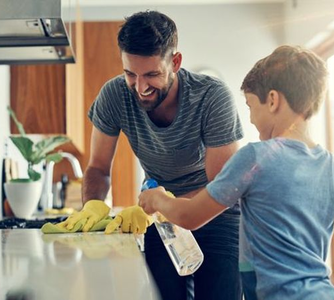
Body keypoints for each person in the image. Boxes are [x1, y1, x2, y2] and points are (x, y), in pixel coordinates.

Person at [58, 10, 243, 300]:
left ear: (176, 62)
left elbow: (221, 187)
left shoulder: (211, 97)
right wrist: (92, 208)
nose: (141, 87)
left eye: (152, 75)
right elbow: (98, 168)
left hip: (214, 215)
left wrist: (165, 203)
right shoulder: (114, 95)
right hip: (161, 219)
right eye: (130, 74)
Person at [139, 45, 334, 300]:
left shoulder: (255, 158)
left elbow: (189, 216)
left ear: (272, 100)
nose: (252, 119)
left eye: (249, 105)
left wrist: (157, 198)